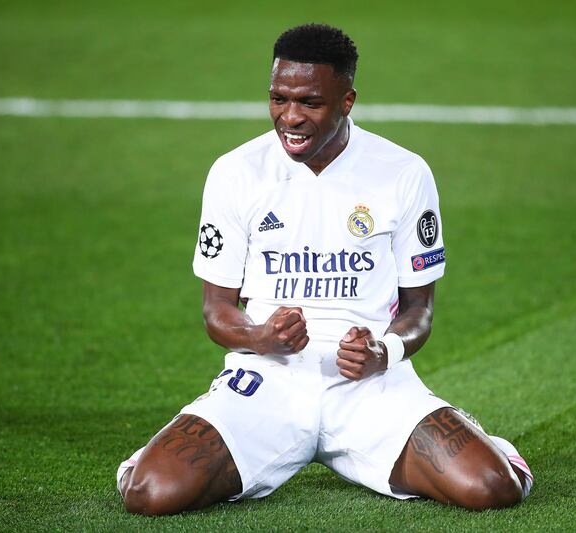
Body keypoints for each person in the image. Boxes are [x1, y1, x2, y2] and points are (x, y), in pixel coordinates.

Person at [117, 23, 533, 516]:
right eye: (277, 99)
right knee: (151, 493)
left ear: (347, 101)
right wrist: (260, 337)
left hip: (370, 384)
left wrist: (386, 349)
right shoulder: (235, 173)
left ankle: (491, 444)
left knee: (492, 488)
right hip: (268, 378)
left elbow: (420, 309)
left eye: (309, 103)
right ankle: (149, 457)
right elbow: (216, 312)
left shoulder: (403, 173)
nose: (289, 117)